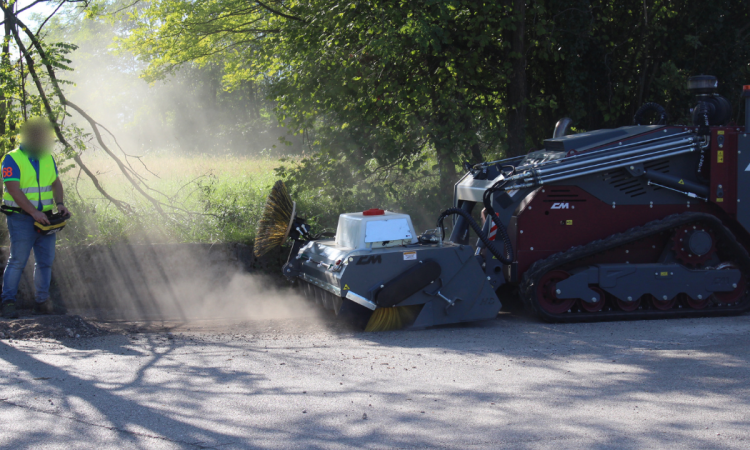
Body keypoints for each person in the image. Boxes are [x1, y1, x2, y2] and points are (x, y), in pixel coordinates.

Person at [1, 118, 70, 318]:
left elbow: (56, 183)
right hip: (21, 219)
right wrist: (34, 212)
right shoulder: (12, 158)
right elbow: (13, 190)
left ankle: (42, 302)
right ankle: (8, 302)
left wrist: (60, 204)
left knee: (45, 262)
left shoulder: (47, 157)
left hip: (47, 219)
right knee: (17, 261)